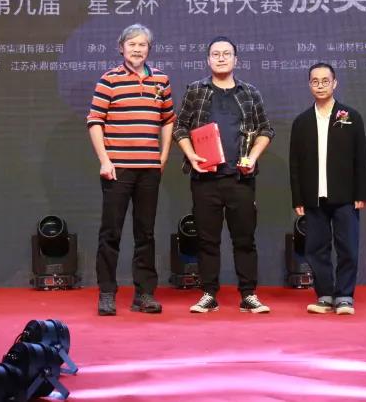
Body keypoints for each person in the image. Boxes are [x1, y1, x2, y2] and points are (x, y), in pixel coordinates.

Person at [173, 36, 275, 313]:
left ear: (235, 60)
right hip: (205, 178)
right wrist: (191, 154)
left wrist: (253, 157)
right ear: (208, 59)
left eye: (226, 54)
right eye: (216, 54)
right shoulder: (196, 90)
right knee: (207, 240)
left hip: (240, 178)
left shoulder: (249, 93)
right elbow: (180, 127)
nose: (221, 58)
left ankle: (249, 294)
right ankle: (208, 293)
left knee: (245, 239)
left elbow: (266, 129)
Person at [87, 23, 174, 316]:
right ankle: (107, 293)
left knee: (145, 233)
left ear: (149, 49)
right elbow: (95, 121)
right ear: (121, 47)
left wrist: (163, 156)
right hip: (118, 169)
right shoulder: (109, 80)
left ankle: (144, 294)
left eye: (142, 45)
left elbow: (168, 119)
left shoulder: (161, 80)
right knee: (111, 232)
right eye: (132, 44)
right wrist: (104, 160)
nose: (137, 49)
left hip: (149, 169)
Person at [289, 62, 366, 315]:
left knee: (348, 248)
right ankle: (324, 295)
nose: (320, 85)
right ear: (309, 85)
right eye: (315, 81)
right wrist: (298, 198)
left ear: (335, 83)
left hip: (346, 195)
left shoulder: (351, 117)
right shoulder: (301, 122)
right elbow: (294, 164)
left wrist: (362, 193)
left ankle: (344, 295)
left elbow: (360, 158)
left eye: (325, 81)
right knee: (316, 249)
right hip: (314, 196)